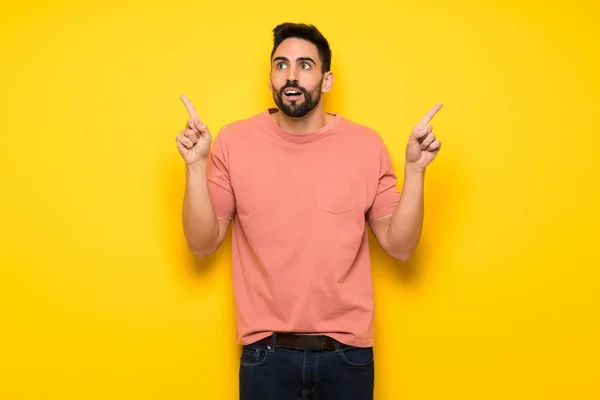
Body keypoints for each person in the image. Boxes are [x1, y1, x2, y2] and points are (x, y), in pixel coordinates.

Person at [175, 22, 442, 400]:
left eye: (304, 65)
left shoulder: (365, 145)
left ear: (327, 79)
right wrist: (195, 166)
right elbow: (201, 242)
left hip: (348, 358)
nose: (291, 76)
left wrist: (415, 170)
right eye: (281, 65)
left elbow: (400, 246)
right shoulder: (234, 142)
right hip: (265, 357)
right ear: (270, 76)